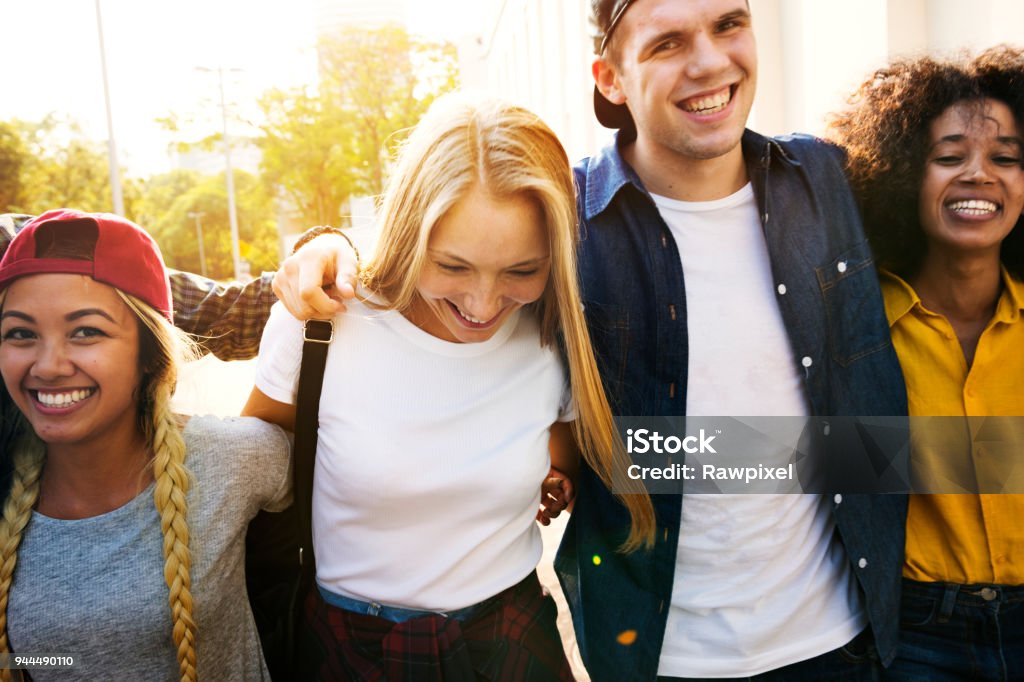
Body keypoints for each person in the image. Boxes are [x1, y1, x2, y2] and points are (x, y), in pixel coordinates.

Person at [273, 1, 910, 680]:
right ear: (609, 77)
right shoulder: (561, 219)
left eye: (728, 24)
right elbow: (438, 267)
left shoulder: (830, 179)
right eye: (667, 42)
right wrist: (326, 250)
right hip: (655, 653)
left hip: (842, 641)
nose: (709, 61)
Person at [243, 94, 656, 681]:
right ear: (411, 230)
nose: (484, 305)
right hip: (348, 647)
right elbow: (247, 469)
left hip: (511, 638)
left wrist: (549, 478)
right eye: (453, 266)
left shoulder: (556, 331)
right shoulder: (321, 322)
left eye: (521, 270)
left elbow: (568, 463)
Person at [0, 209, 291, 680]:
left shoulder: (233, 457)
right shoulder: (5, 484)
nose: (49, 365)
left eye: (86, 331)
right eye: (20, 334)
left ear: (149, 354)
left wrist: (329, 250)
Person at [829, 47, 1024, 681]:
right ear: (903, 173)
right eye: (949, 157)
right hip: (914, 636)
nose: (978, 174)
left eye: (1005, 158)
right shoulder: (852, 328)